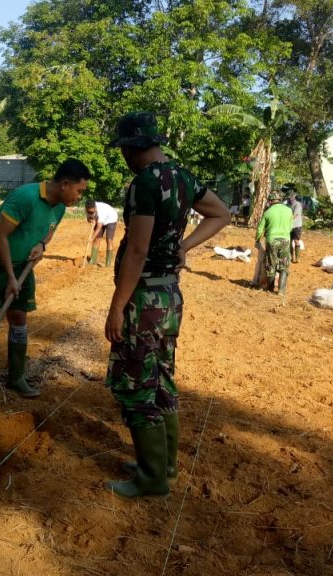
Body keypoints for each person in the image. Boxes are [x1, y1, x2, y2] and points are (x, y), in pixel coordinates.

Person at [103, 112, 230, 498]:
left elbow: (137, 250)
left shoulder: (145, 183)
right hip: (170, 295)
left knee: (136, 384)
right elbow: (221, 213)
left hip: (144, 298)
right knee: (160, 379)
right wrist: (183, 245)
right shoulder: (183, 177)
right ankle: (164, 465)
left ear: (130, 148)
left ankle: (151, 478)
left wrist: (117, 306)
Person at [0, 158, 91, 399]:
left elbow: (49, 231)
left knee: (19, 317)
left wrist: (42, 244)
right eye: (79, 190)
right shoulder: (25, 197)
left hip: (22, 264)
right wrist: (11, 277)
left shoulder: (60, 206)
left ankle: (17, 376)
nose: (80, 197)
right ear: (65, 184)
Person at [254, 192, 294, 295]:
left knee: (271, 264)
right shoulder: (289, 210)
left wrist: (257, 240)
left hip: (272, 240)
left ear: (270, 201)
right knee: (284, 265)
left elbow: (260, 229)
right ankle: (281, 291)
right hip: (285, 240)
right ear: (280, 200)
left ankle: (270, 288)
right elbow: (291, 226)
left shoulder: (268, 212)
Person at [84, 199, 119, 266]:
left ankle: (108, 263)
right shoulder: (86, 209)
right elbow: (89, 218)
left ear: (95, 208)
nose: (91, 213)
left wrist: (91, 238)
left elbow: (99, 227)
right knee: (97, 239)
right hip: (99, 220)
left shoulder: (101, 210)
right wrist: (90, 220)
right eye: (89, 212)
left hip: (111, 219)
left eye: (92, 212)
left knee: (109, 240)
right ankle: (92, 261)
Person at [285, 184, 304, 263]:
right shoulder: (287, 205)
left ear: (294, 196)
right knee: (289, 241)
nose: (289, 198)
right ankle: (291, 257)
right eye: (288, 197)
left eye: (291, 196)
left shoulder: (297, 204)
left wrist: (287, 219)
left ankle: (297, 257)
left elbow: (295, 214)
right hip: (289, 225)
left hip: (296, 225)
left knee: (296, 240)